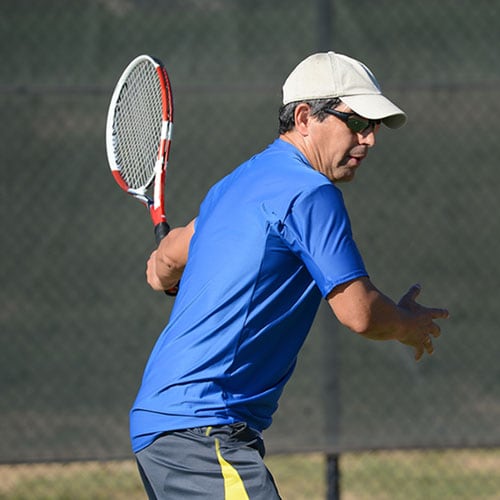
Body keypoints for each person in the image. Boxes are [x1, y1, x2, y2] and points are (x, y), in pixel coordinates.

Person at [131, 51, 449, 499]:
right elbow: (359, 313)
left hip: (165, 426)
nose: (369, 139)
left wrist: (166, 268)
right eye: (357, 122)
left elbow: (166, 261)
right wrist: (406, 325)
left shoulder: (232, 185)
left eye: (373, 127)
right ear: (304, 117)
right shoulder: (311, 194)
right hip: (202, 427)